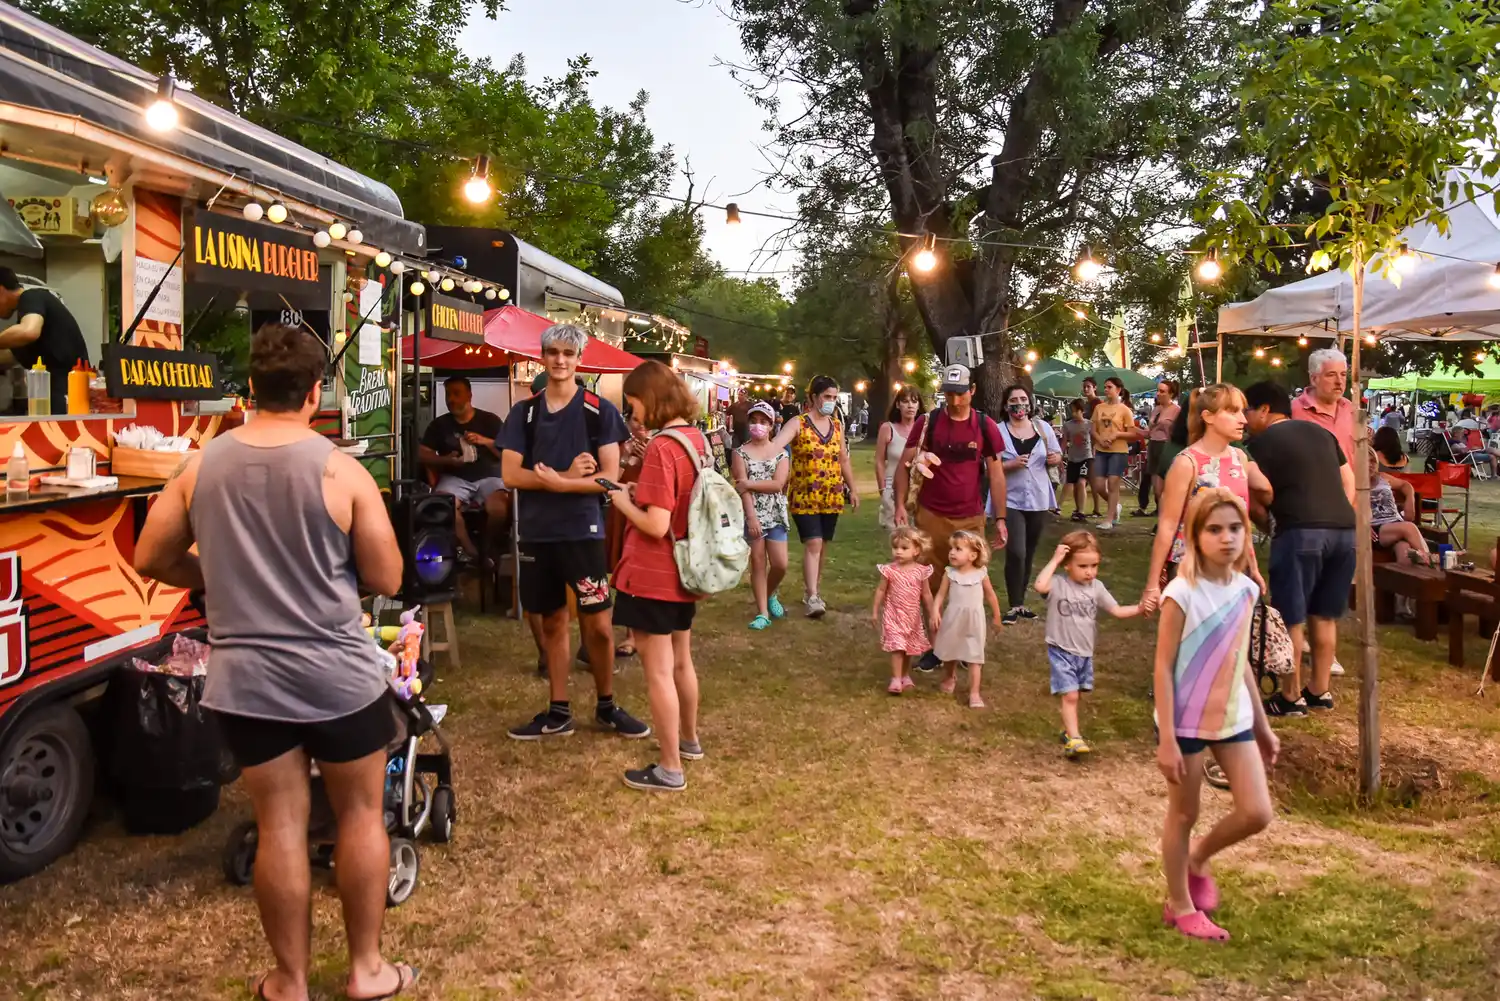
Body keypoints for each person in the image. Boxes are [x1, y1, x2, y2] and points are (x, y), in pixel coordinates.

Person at [133, 324, 415, 1001]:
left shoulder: (200, 466)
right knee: (359, 816)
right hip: (339, 676)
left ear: (252, 389)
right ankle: (367, 970)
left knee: (280, 825)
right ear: (316, 391)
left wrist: (214, 576)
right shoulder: (341, 469)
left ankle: (289, 980)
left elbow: (150, 556)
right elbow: (387, 574)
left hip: (247, 680)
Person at [500, 323, 649, 741]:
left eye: (568, 353)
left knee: (597, 624)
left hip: (582, 531)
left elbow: (610, 478)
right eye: (553, 352)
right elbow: (510, 474)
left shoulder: (599, 411)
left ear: (579, 359)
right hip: (537, 532)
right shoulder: (524, 413)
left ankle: (607, 705)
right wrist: (564, 475)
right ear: (542, 357)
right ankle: (558, 710)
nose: (560, 360)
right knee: (551, 621)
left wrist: (561, 484)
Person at [1153, 488, 1277, 942]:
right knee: (1184, 813)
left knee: (1257, 811)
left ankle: (1198, 857)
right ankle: (1180, 905)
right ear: (1195, 536)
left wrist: (1262, 726)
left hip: (1233, 718)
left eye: (1236, 528)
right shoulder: (1181, 592)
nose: (1227, 538)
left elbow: (1240, 660)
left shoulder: (1247, 590)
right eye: (1215, 529)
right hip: (1184, 720)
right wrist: (1168, 737)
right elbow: (1163, 666)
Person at [604, 360, 709, 792]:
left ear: (649, 398)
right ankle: (689, 741)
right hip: (683, 572)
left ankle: (669, 768)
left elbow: (655, 524)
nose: (633, 413)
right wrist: (638, 491)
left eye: (633, 403)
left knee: (659, 672)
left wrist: (619, 500)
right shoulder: (694, 439)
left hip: (653, 574)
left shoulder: (662, 447)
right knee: (682, 660)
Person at [1242, 381, 1356, 717]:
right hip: (1344, 530)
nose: (1244, 419)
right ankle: (1320, 690)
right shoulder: (1322, 433)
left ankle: (1291, 697)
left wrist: (1269, 521)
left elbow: (1259, 490)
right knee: (1324, 614)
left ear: (1264, 410)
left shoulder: (1259, 444)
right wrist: (1339, 511)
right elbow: (1348, 480)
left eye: (1247, 411)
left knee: (1291, 616)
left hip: (1300, 531)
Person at [1142, 384, 1270, 612]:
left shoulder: (1240, 458)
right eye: (1232, 411)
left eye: (1242, 411)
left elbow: (1242, 521)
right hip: (1193, 569)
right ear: (1208, 417)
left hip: (1234, 568)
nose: (1243, 419)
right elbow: (1167, 525)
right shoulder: (1186, 463)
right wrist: (1152, 584)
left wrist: (1253, 567)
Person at [1034, 530, 1141, 758]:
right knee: (1070, 695)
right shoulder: (1058, 584)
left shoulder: (1096, 587)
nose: (1090, 572)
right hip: (1061, 650)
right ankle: (1075, 739)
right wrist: (1055, 559)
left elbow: (1117, 610)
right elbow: (1040, 586)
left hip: (1084, 652)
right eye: (1083, 566)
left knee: (1076, 694)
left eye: (1094, 566)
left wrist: (1141, 608)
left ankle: (1068, 731)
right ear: (1067, 565)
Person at [769, 375, 860, 618]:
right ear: (813, 397)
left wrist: (853, 488)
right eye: (826, 396)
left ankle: (813, 590)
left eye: (834, 397)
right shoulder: (798, 423)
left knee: (822, 545)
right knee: (814, 543)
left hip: (831, 495)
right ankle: (812, 596)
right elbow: (776, 446)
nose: (831, 401)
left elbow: (843, 459)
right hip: (804, 495)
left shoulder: (837, 426)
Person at [419, 375, 508, 558]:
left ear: (469, 395)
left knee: (499, 509)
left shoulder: (490, 420)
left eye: (456, 393)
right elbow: (421, 455)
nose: (451, 399)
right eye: (448, 394)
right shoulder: (439, 425)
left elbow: (506, 454)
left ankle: (487, 545)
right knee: (445, 507)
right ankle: (470, 551)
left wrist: (485, 441)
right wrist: (446, 460)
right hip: (454, 479)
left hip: (489, 477)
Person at [995, 384, 1061, 622]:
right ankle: (1013, 605)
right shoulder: (998, 430)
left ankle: (1021, 603)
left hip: (1039, 498)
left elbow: (1057, 454)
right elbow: (988, 465)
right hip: (1010, 499)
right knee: (1017, 551)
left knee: (1029, 552)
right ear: (1006, 405)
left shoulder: (1042, 428)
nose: (1019, 404)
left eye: (1023, 399)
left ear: (1030, 403)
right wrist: (1010, 465)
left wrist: (1055, 458)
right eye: (1014, 400)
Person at [731, 401, 791, 630]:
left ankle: (769, 593)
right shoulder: (740, 453)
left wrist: (749, 483)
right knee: (757, 562)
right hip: (753, 513)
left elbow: (778, 484)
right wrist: (751, 517)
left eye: (764, 422)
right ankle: (762, 612)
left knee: (780, 564)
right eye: (754, 421)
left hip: (775, 513)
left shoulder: (781, 453)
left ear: (771, 425)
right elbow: (741, 488)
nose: (758, 426)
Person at [0, 266, 90, 414]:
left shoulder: (32, 297)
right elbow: (10, 355)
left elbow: (28, 331)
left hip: (66, 398)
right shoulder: (33, 314)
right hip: (62, 398)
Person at [931, 530, 1003, 708]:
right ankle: (950, 676)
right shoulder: (949, 573)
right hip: (953, 618)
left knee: (975, 656)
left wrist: (997, 616)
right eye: (951, 548)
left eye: (958, 549)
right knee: (950, 651)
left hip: (974, 621)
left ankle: (974, 693)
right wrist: (935, 611)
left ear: (973, 555)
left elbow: (991, 595)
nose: (952, 552)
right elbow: (940, 595)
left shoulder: (981, 574)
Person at [872, 526, 936, 695]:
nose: (898, 551)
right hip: (893, 615)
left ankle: (905, 675)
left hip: (912, 617)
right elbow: (881, 590)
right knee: (898, 647)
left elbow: (926, 594)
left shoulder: (921, 572)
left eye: (904, 548)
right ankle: (895, 678)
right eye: (895, 547)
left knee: (909, 648)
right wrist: (875, 610)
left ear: (916, 550)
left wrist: (932, 613)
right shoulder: (889, 570)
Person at [1088, 376, 1141, 529]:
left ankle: (1109, 519)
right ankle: (1115, 506)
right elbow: (1093, 429)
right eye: (1105, 387)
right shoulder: (1099, 408)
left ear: (1118, 390)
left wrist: (1117, 434)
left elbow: (1132, 434)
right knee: (1098, 485)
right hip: (1101, 450)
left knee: (1113, 483)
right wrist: (1100, 439)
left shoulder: (1125, 410)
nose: (1106, 389)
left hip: (1118, 451)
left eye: (1109, 387)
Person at [1294, 348, 1355, 463]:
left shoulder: (1350, 408)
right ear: (1314, 379)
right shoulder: (1293, 411)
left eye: (1343, 374)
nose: (1339, 381)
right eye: (1331, 375)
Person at [1369, 449, 1429, 565]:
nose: (1370, 465)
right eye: (1366, 461)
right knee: (1409, 528)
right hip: (1376, 530)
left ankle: (1421, 573)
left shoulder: (1382, 478)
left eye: (1373, 461)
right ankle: (1430, 559)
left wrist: (1410, 500)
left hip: (1396, 524)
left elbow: (1405, 485)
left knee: (1405, 552)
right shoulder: (1354, 482)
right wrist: (1360, 525)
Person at [876, 387, 922, 530]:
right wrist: (883, 489)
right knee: (898, 535)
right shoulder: (887, 428)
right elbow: (879, 461)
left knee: (918, 536)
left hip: (917, 489)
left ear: (919, 405)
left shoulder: (924, 430)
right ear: (898, 405)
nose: (910, 406)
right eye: (905, 401)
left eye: (914, 401)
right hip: (892, 489)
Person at [1136, 380, 1180, 517]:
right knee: (1156, 488)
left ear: (1171, 394)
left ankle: (1167, 515)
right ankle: (1161, 514)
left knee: (1165, 485)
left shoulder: (1176, 410)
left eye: (1162, 391)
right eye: (1158, 390)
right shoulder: (1156, 409)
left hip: (1166, 446)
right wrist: (1133, 429)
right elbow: (1149, 433)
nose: (1158, 394)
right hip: (1153, 445)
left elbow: (1178, 433)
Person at [1061, 399, 1096, 521]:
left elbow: (1095, 439)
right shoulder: (1067, 425)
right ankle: (1076, 509)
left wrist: (1094, 453)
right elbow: (1064, 442)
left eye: (1076, 411)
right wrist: (1060, 455)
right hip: (1072, 458)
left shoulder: (1089, 424)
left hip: (1086, 457)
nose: (1074, 414)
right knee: (1073, 484)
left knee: (1081, 482)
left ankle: (1081, 511)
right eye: (1072, 411)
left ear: (1082, 411)